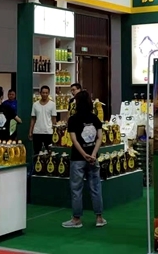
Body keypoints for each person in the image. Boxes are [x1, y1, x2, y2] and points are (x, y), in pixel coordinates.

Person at [63, 90, 106, 229]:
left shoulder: (73, 119)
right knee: (96, 187)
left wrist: (83, 154)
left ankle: (76, 219)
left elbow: (74, 140)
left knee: (76, 189)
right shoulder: (95, 118)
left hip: (77, 158)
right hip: (93, 158)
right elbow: (99, 138)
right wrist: (93, 154)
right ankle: (99, 218)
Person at [29, 85, 57, 154]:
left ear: (48, 93)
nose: (45, 94)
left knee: (49, 152)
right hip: (37, 131)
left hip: (48, 131)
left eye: (46, 93)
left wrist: (55, 131)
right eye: (43, 93)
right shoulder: (35, 104)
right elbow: (33, 119)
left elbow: (54, 119)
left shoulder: (52, 104)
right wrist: (30, 131)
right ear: (40, 93)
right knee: (37, 152)